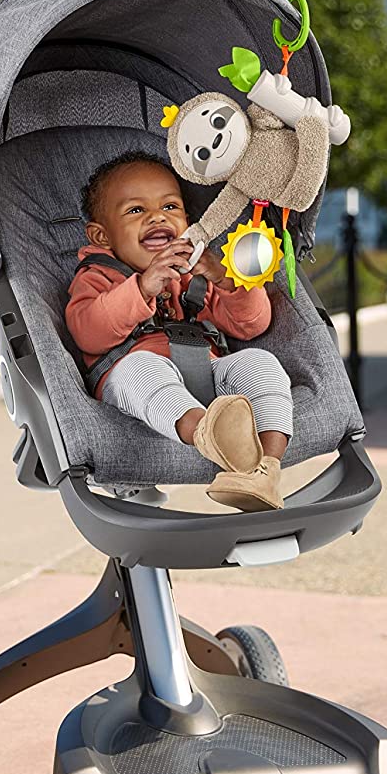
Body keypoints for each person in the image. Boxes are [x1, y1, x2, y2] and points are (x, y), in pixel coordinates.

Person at [66, 152, 293, 512]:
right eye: (136, 211)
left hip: (205, 374)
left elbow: (252, 325)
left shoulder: (194, 275)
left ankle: (265, 469)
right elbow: (88, 332)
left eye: (170, 207)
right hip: (137, 385)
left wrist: (225, 279)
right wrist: (142, 287)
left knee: (259, 362)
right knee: (142, 368)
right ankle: (209, 436)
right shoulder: (98, 276)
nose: (158, 216)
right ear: (102, 235)